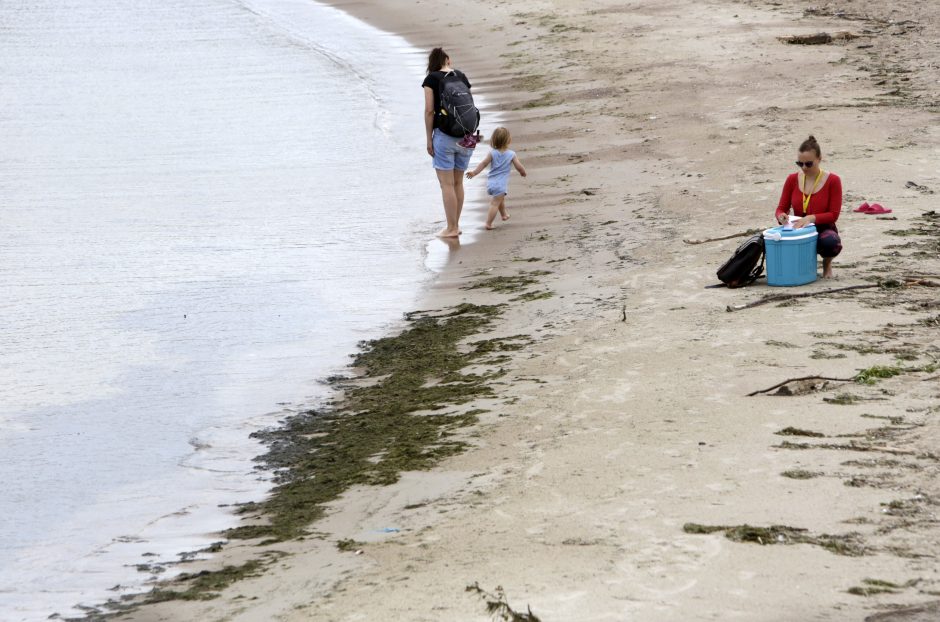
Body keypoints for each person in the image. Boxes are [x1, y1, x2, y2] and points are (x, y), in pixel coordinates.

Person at [423, 48, 475, 238]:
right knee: (458, 183)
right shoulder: (460, 76)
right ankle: (456, 225)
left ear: (432, 64)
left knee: (446, 185)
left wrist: (429, 139)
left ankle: (451, 228)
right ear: (448, 60)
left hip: (445, 136)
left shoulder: (431, 80)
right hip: (468, 135)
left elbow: (429, 111)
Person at [774, 135, 843, 278]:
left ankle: (827, 263)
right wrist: (781, 216)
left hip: (823, 227)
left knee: (831, 242)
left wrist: (811, 218)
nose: (804, 168)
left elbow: (834, 215)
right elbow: (781, 208)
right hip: (798, 227)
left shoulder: (833, 181)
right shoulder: (792, 179)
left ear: (819, 159)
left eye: (809, 164)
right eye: (800, 164)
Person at [466, 127, 527, 230]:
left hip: (491, 183)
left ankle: (504, 214)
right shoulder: (511, 154)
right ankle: (488, 223)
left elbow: (483, 163)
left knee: (499, 198)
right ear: (508, 140)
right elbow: (518, 166)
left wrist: (474, 172)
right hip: (500, 184)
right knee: (495, 203)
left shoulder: (492, 153)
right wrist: (523, 172)